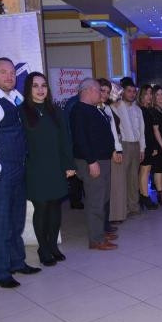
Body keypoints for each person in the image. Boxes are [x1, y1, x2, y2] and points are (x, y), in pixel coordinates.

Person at [0, 57, 41, 288]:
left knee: (16, 220)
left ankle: (17, 262)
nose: (9, 76)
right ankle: (1, 272)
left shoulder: (12, 99)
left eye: (12, 72)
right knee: (1, 223)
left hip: (16, 169)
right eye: (3, 72)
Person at [21, 72, 75, 266]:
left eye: (43, 85)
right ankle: (43, 248)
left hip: (55, 166)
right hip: (34, 168)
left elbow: (65, 139)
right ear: (28, 89)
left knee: (55, 207)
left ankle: (53, 245)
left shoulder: (55, 110)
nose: (40, 89)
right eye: (35, 86)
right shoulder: (22, 112)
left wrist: (69, 165)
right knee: (42, 208)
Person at [69, 78, 117, 250]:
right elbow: (81, 139)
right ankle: (96, 239)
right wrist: (91, 161)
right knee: (95, 200)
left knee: (102, 198)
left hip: (102, 160)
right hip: (92, 161)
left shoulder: (93, 109)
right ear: (88, 90)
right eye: (98, 90)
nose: (101, 94)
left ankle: (100, 231)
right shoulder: (79, 110)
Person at [110, 77, 145, 216]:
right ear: (123, 92)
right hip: (123, 145)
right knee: (122, 178)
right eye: (129, 91)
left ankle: (134, 206)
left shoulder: (138, 110)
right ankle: (122, 208)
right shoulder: (116, 107)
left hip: (136, 145)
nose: (132, 94)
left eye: (134, 91)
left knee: (133, 178)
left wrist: (142, 148)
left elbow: (142, 131)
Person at [97, 79, 126, 225]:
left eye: (108, 92)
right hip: (97, 155)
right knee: (98, 194)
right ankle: (100, 227)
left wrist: (117, 149)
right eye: (102, 90)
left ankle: (105, 225)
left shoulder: (107, 108)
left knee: (107, 191)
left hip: (110, 152)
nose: (105, 94)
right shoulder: (89, 108)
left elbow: (113, 132)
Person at [137, 84, 158, 210]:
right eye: (146, 94)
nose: (149, 96)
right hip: (143, 144)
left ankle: (143, 196)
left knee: (145, 171)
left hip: (148, 143)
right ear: (141, 96)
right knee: (144, 171)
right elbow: (143, 131)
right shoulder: (140, 110)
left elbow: (150, 130)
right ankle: (144, 196)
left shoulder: (147, 110)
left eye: (151, 93)